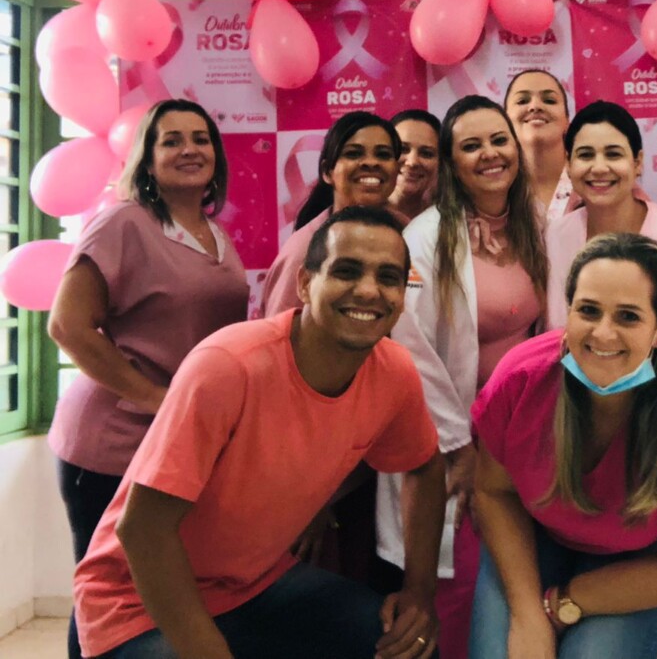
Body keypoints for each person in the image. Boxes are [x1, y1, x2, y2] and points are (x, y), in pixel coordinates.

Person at [72, 207, 447, 659]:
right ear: (306, 284)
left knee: (405, 645)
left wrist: (419, 592)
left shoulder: (395, 372)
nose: (369, 290)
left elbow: (424, 469)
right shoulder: (229, 366)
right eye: (347, 271)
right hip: (133, 603)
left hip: (255, 585)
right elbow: (142, 532)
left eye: (388, 277)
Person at [468, 232, 657, 659]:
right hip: (533, 536)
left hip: (639, 561)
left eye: (629, 317)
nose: (603, 332)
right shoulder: (521, 377)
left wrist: (562, 605)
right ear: (568, 312)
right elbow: (492, 491)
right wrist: (527, 614)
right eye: (588, 311)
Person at [47, 99, 249, 659]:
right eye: (172, 140)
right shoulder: (123, 221)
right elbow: (67, 326)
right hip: (110, 440)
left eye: (201, 139)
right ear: (147, 158)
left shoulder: (213, 233)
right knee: (103, 590)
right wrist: (159, 400)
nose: (189, 149)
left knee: (151, 588)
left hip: (171, 438)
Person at [377, 94, 548, 659]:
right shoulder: (426, 238)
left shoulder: (534, 227)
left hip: (521, 444)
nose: (490, 154)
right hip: (454, 450)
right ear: (452, 164)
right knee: (458, 595)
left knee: (515, 591)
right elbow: (407, 345)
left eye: (499, 140)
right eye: (471, 146)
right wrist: (458, 444)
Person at [546, 100, 657, 355]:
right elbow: (554, 335)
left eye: (613, 154)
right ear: (569, 165)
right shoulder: (556, 237)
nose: (600, 167)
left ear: (637, 163)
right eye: (586, 155)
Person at [260, 111, 401, 317]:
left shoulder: (410, 234)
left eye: (383, 154)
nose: (371, 163)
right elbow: (278, 338)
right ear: (327, 171)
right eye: (353, 153)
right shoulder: (303, 250)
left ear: (397, 170)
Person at [504, 69, 574, 219]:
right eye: (522, 101)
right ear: (505, 119)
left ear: (567, 120)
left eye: (549, 100)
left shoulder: (591, 178)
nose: (535, 106)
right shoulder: (494, 187)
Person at [389, 108, 441, 225]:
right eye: (403, 149)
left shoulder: (450, 220)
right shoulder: (360, 215)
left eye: (426, 153)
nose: (412, 162)